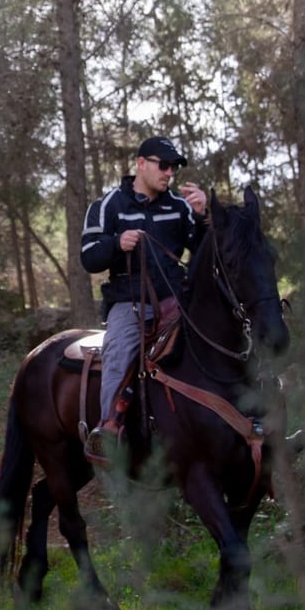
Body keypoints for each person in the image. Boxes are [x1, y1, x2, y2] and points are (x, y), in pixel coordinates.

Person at [80, 136, 209, 460]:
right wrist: (115, 243)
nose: (170, 173)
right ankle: (110, 426)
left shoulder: (179, 206)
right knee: (120, 349)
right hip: (129, 301)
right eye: (164, 165)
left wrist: (203, 216)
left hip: (177, 300)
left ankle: (245, 423)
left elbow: (205, 253)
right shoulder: (108, 205)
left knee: (217, 339)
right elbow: (88, 257)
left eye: (174, 168)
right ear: (141, 164)